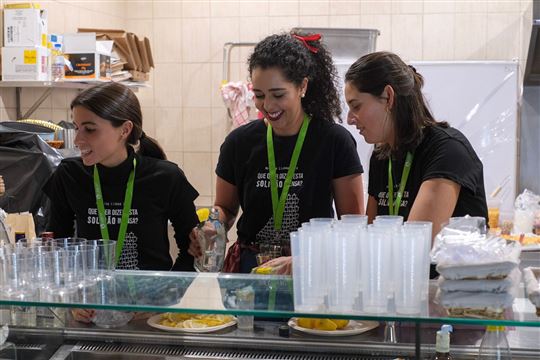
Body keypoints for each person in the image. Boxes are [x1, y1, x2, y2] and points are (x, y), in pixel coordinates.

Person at [190, 32, 365, 274]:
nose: (268, 106)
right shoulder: (239, 142)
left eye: (278, 94)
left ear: (302, 86)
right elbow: (226, 208)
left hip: (311, 266)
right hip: (251, 268)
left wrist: (305, 262)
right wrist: (213, 223)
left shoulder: (334, 141)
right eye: (259, 95)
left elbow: (352, 226)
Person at [43, 83, 200, 320]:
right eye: (76, 128)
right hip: (91, 314)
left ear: (124, 129)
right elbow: (57, 246)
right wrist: (73, 297)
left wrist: (166, 295)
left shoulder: (165, 177)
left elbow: (193, 250)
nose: (77, 140)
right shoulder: (69, 175)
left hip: (151, 318)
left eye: (89, 129)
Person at [344, 51, 488, 240]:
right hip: (398, 269)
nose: (349, 119)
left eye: (356, 106)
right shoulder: (381, 155)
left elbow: (417, 245)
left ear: (388, 97)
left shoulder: (446, 150)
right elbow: (371, 240)